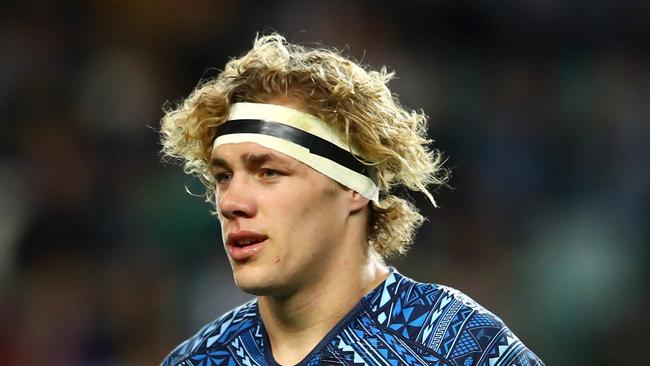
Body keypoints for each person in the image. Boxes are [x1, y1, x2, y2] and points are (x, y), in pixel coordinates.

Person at [159, 34, 544, 366]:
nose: (231, 202)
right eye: (224, 176)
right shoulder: (197, 359)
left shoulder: (458, 347)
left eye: (268, 172)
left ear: (353, 186)